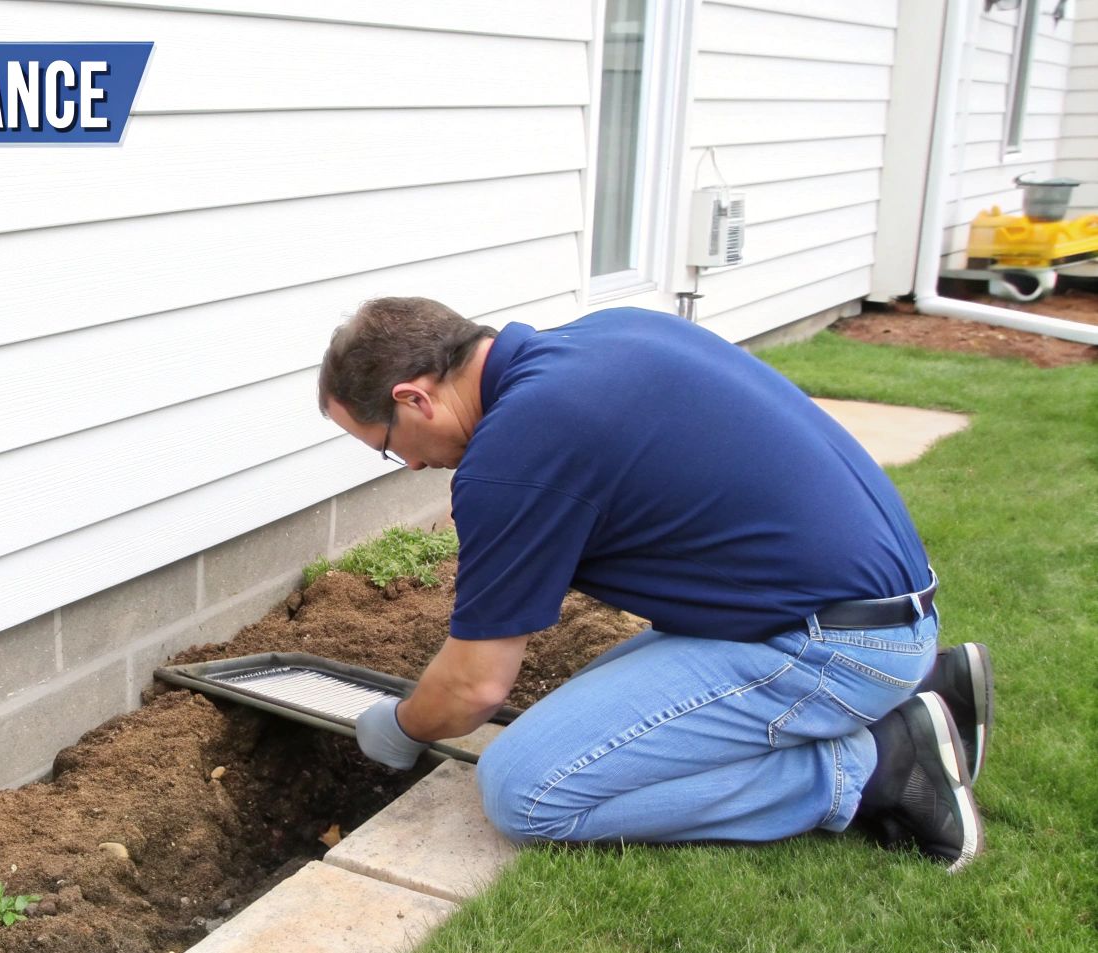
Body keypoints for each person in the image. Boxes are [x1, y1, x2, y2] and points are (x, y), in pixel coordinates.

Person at [317, 298, 992, 871]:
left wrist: (402, 725)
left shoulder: (519, 451)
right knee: (582, 728)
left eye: (384, 444)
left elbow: (474, 688)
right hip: (874, 608)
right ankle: (929, 686)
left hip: (834, 644)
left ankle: (875, 768)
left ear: (414, 398)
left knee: (526, 790)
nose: (405, 466)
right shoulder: (605, 336)